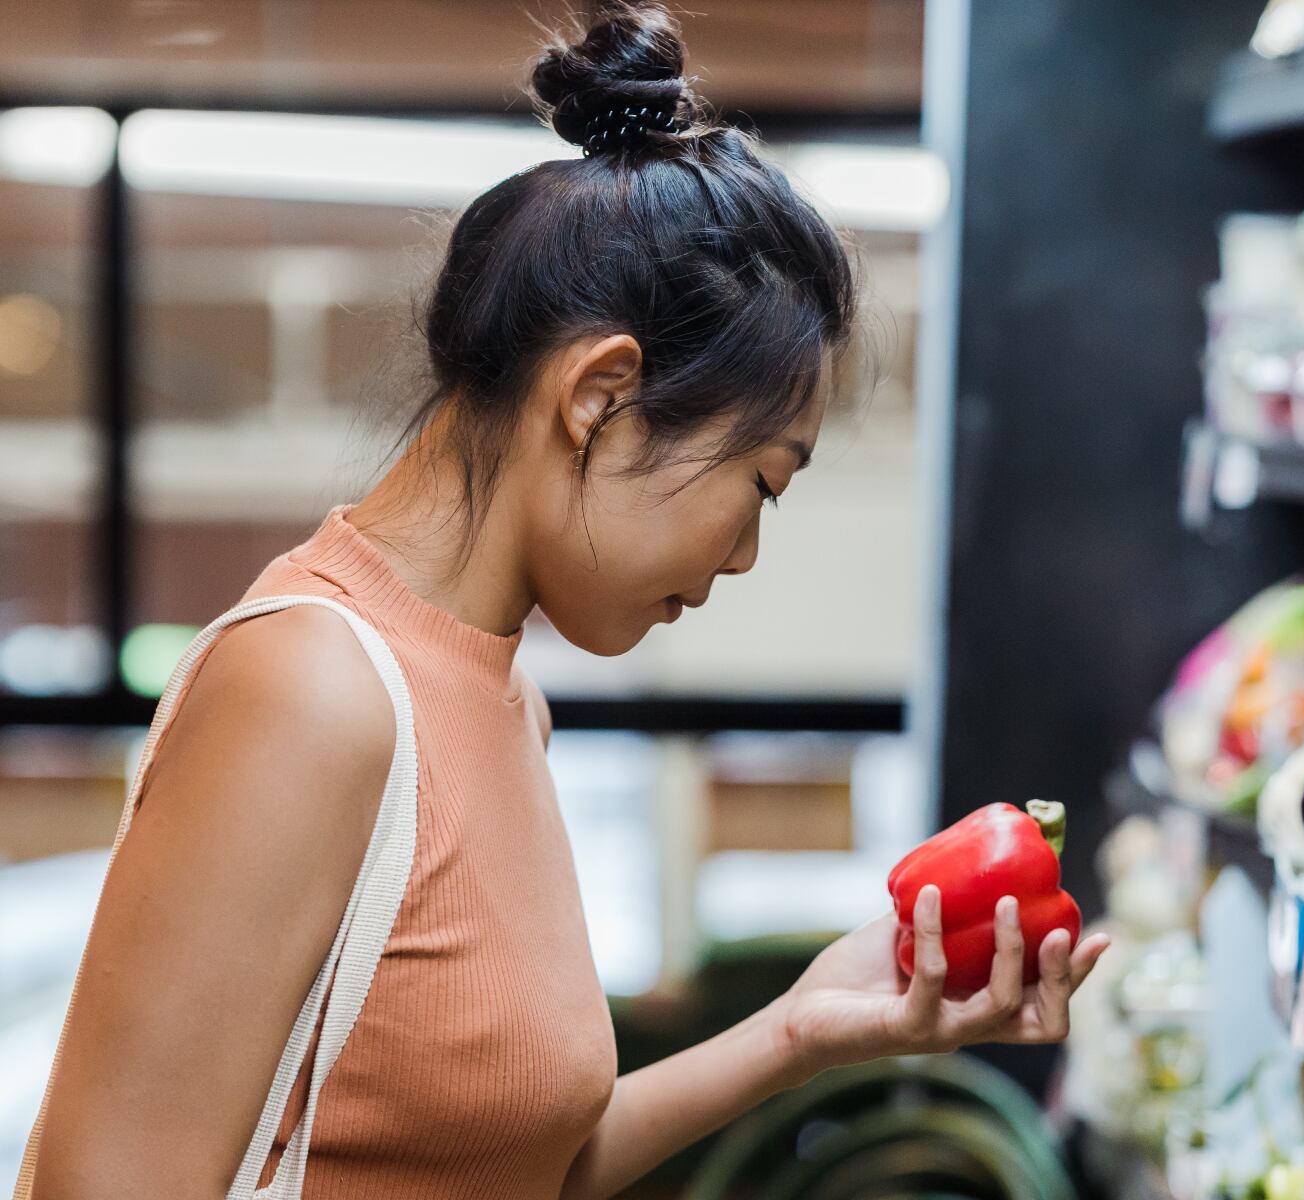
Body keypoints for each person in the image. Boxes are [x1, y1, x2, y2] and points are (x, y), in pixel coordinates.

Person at [19, 4, 1109, 1197]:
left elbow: (512, 1167)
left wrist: (799, 1033)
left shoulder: (501, 699)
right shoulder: (313, 689)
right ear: (598, 396)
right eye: (759, 482)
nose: (745, 553)